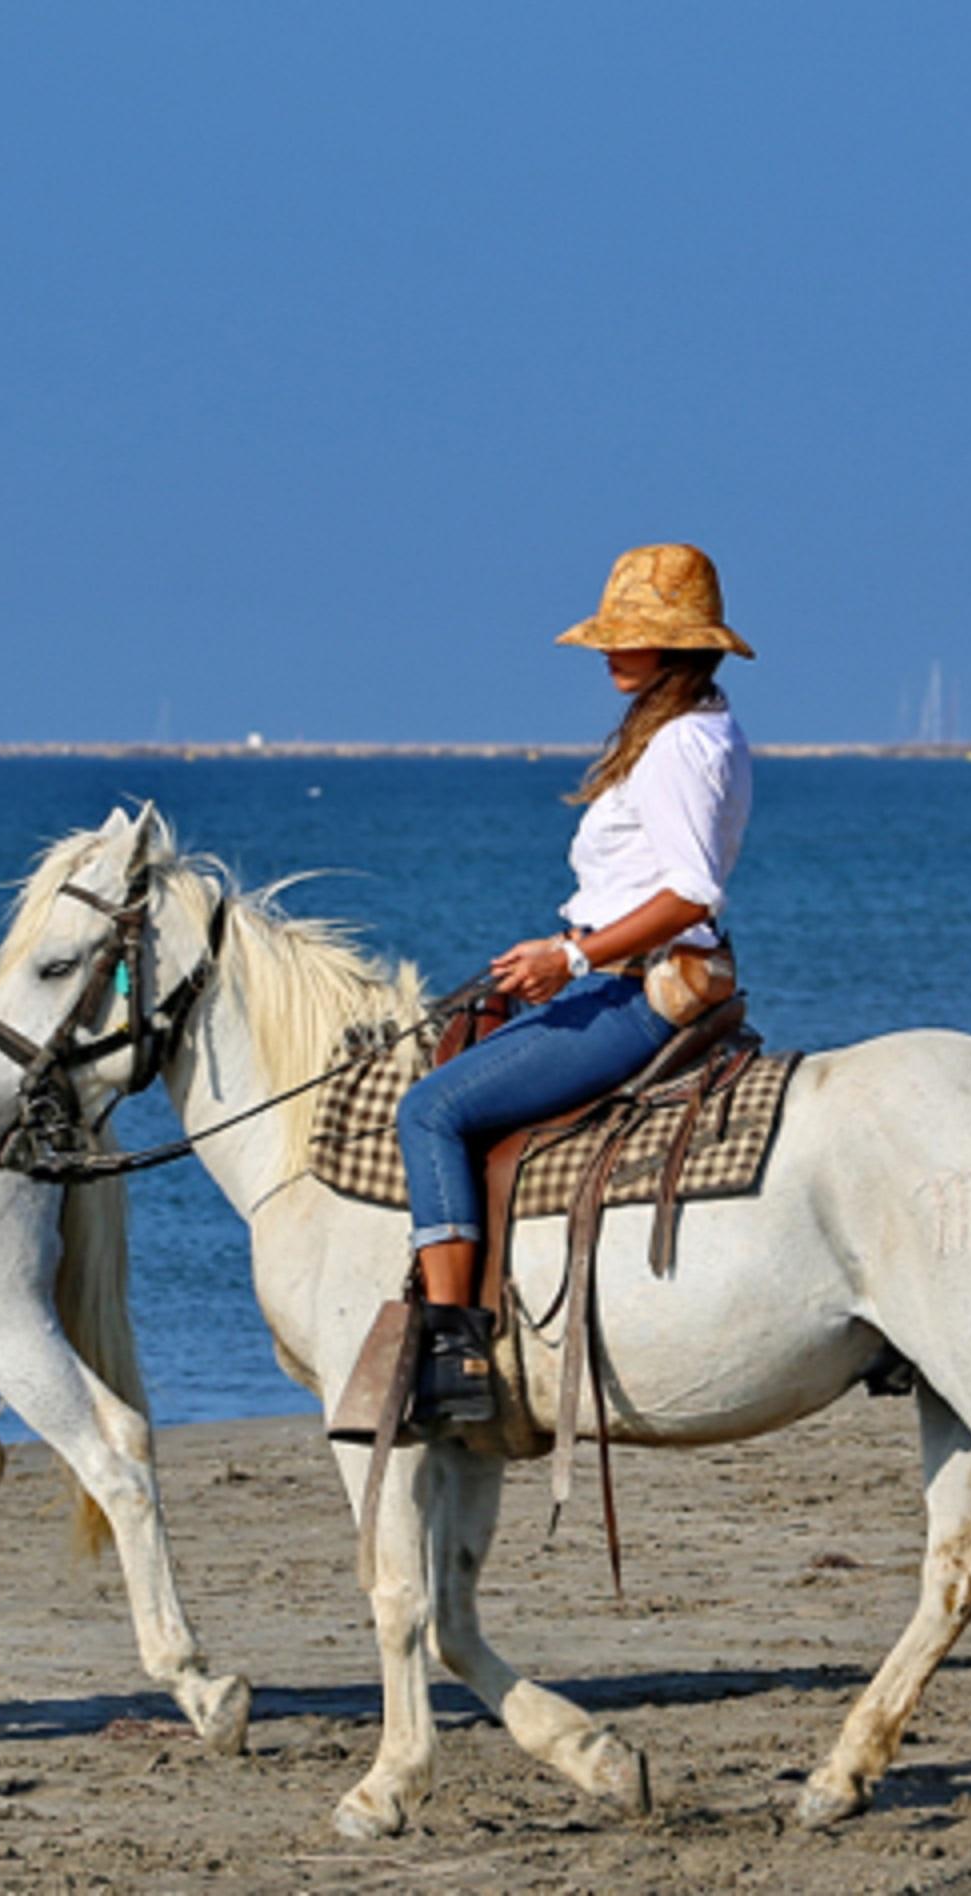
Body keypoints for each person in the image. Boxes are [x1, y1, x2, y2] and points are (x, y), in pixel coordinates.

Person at [394, 542, 755, 1427]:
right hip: (621, 967)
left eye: (627, 637)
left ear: (675, 647)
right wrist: (563, 943)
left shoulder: (676, 746)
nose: (607, 652)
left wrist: (575, 961)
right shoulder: (700, 724)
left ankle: (455, 1351)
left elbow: (689, 893)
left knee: (430, 1110)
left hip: (637, 991)